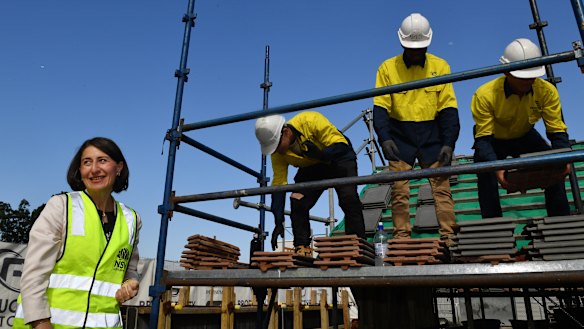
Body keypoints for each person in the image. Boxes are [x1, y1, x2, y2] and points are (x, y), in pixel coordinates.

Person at [13, 137, 141, 329]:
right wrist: (40, 322)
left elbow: (129, 269)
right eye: (86, 162)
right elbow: (34, 275)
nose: (94, 169)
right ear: (80, 171)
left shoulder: (131, 219)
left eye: (102, 160)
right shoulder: (61, 207)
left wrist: (131, 282)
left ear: (119, 167)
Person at [372, 13, 460, 244]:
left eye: (419, 48)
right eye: (410, 47)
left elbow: (449, 109)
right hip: (400, 135)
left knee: (442, 190)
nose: (415, 52)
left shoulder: (440, 66)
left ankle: (449, 238)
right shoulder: (387, 68)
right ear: (401, 42)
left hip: (432, 134)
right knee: (399, 192)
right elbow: (380, 108)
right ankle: (401, 240)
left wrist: (449, 143)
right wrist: (384, 139)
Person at [471, 38, 571, 218]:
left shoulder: (547, 91)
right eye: (521, 77)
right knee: (484, 172)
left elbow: (557, 131)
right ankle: (494, 225)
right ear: (507, 72)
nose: (527, 82)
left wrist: (564, 159)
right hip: (494, 139)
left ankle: (560, 219)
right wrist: (497, 169)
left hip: (525, 135)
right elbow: (483, 140)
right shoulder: (484, 95)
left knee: (555, 163)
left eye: (531, 77)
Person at [255, 111, 366, 256]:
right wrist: (278, 220)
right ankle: (302, 248)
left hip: (339, 159)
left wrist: (321, 154)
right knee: (297, 199)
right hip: (312, 166)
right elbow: (279, 184)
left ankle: (356, 243)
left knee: (348, 198)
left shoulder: (310, 120)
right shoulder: (277, 153)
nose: (276, 150)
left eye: (276, 145)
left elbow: (341, 146)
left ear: (286, 132)